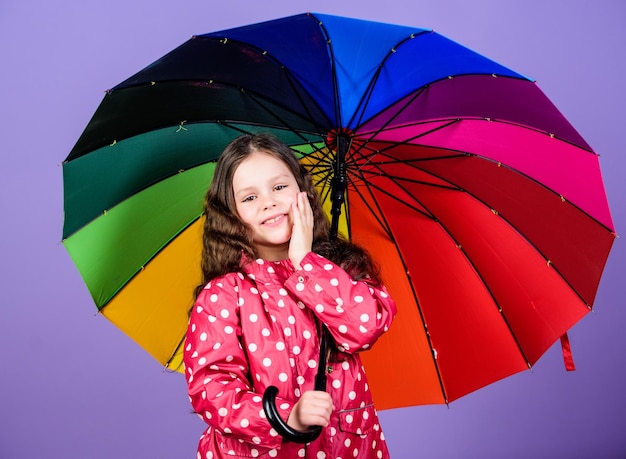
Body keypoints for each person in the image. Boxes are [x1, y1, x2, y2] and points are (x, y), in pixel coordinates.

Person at [184, 133, 397, 458]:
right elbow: (212, 389)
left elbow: (364, 326)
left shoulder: (341, 269)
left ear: (302, 192)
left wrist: (305, 262)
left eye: (279, 187)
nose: (268, 202)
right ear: (230, 214)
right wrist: (286, 416)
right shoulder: (224, 295)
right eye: (250, 197)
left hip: (346, 448)